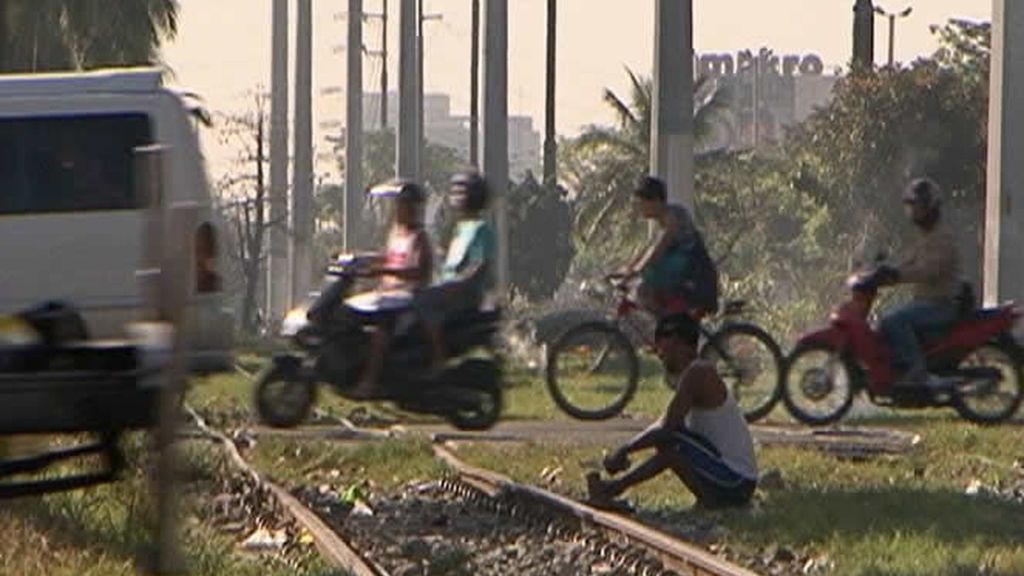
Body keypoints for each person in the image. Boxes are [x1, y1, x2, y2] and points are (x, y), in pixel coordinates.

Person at [586, 314, 758, 510]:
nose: (658, 353)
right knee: (669, 440)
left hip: (736, 482)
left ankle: (611, 490)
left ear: (678, 343)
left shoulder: (699, 372)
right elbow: (664, 424)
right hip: (732, 480)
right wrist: (627, 448)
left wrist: (625, 450)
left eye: (661, 345)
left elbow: (666, 428)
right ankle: (707, 499)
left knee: (671, 442)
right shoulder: (691, 373)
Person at [347, 180, 434, 398]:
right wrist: (360, 261)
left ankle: (370, 380)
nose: (396, 210)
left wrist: (385, 272)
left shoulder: (419, 238)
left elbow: (420, 272)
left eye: (401, 205)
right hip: (390, 295)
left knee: (381, 333)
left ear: (412, 208)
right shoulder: (397, 233)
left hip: (408, 297)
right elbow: (388, 258)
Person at [877, 178, 961, 389]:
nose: (914, 213)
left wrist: (897, 276)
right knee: (886, 318)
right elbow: (907, 262)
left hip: (940, 305)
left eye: (918, 207)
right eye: (912, 207)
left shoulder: (942, 238)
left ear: (931, 207)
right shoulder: (925, 236)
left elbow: (929, 271)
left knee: (894, 320)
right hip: (927, 302)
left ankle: (917, 371)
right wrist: (881, 271)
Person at [414, 171, 497, 373]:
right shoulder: (462, 227)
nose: (456, 196)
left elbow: (479, 266)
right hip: (450, 287)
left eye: (461, 192)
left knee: (422, 302)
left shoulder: (481, 228)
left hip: (465, 293)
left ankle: (438, 357)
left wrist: (457, 285)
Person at [617, 176, 716, 318]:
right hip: (681, 269)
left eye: (643, 202)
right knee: (644, 289)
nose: (640, 207)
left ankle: (669, 324)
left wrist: (638, 270)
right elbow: (647, 249)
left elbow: (659, 248)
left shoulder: (673, 216)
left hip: (695, 273)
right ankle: (665, 325)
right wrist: (627, 269)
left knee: (645, 284)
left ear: (656, 201)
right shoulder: (661, 223)